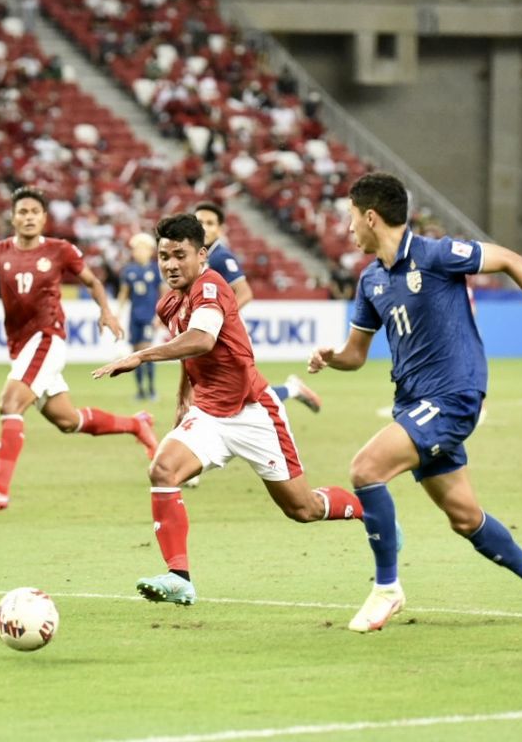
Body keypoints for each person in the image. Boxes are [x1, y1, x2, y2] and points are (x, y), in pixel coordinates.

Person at [306, 172, 522, 635]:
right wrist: (331, 357)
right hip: (413, 404)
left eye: (351, 218)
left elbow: (513, 261)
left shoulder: (437, 255)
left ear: (372, 217)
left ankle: (387, 588)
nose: (348, 228)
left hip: (454, 396)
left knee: (365, 469)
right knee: (464, 518)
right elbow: (356, 356)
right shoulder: (371, 281)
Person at [91, 214, 371, 606]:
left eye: (180, 255)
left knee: (303, 509)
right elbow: (192, 356)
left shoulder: (212, 285)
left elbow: (203, 340)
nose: (170, 264)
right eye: (163, 256)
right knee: (162, 468)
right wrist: (182, 400)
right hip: (209, 414)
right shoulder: (169, 304)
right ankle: (179, 577)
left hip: (254, 412)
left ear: (202, 254)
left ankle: (370, 510)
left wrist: (140, 356)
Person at [0, 186, 159, 510]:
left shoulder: (60, 250)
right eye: (22, 212)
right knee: (68, 421)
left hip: (47, 338)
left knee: (10, 403)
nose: (28, 217)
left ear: (44, 218)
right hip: (21, 346)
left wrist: (106, 311)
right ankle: (137, 425)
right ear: (13, 217)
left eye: (34, 212)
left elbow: (92, 281)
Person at [192, 201, 322, 413]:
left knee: (244, 397)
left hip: (227, 335)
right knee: (237, 395)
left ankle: (291, 389)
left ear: (220, 229)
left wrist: (217, 318)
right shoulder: (201, 256)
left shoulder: (220, 257)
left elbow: (244, 293)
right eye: (199, 222)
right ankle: (292, 389)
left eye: (210, 223)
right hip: (218, 335)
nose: (204, 227)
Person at [115, 233, 163, 400]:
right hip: (134, 317)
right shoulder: (129, 270)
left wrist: (159, 316)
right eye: (136, 248)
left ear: (150, 251)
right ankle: (140, 391)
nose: (139, 251)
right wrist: (118, 311)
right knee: (135, 354)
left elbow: (164, 293)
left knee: (147, 352)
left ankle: (151, 390)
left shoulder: (156, 269)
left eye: (142, 248)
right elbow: (124, 293)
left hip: (149, 317)